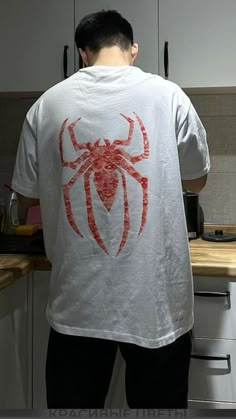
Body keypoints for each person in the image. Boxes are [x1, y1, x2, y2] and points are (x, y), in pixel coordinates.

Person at [11, 9, 210, 409]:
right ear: (133, 48)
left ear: (82, 53)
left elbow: (28, 197)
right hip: (156, 305)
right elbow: (196, 179)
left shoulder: (46, 104)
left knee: (73, 408)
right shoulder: (168, 94)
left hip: (77, 304)